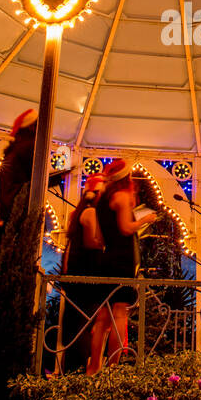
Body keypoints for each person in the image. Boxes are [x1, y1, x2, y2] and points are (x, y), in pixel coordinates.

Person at [87, 160, 156, 374]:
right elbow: (126, 228)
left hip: (106, 259)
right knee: (119, 314)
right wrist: (146, 219)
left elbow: (98, 238)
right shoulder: (123, 197)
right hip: (123, 260)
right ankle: (112, 368)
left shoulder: (101, 201)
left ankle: (94, 366)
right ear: (127, 178)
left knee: (102, 318)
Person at [59, 172, 106, 372]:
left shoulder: (81, 212)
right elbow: (92, 241)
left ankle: (72, 371)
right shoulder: (90, 212)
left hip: (78, 278)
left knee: (80, 327)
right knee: (82, 327)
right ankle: (75, 374)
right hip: (85, 279)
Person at [0, 109, 38, 263]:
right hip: (20, 203)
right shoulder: (29, 147)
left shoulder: (13, 149)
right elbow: (33, 177)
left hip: (8, 205)